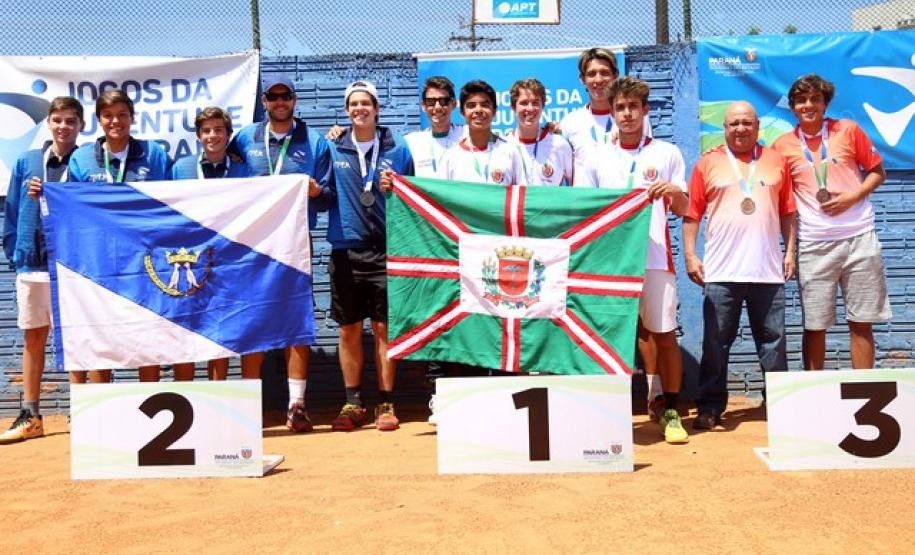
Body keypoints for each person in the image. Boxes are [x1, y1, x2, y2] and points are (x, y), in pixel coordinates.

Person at [579, 77, 689, 443]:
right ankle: (607, 415)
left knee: (665, 335)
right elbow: (585, 211)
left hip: (655, 258)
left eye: (633, 107)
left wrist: (674, 192)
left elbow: (687, 208)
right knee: (608, 338)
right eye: (620, 107)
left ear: (645, 110)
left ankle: (671, 410)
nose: (627, 114)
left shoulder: (667, 153)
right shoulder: (595, 156)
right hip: (611, 263)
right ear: (611, 112)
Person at [683, 101, 797, 430]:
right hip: (721, 273)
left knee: (774, 342)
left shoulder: (777, 161)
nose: (740, 129)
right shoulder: (708, 163)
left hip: (768, 271)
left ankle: (779, 405)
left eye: (747, 123)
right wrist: (691, 255)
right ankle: (710, 407)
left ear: (758, 126)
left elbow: (789, 211)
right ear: (725, 127)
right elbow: (692, 215)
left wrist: (790, 252)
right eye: (734, 123)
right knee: (715, 345)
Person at [228, 76, 333, 432]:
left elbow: (331, 194)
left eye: (285, 96)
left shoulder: (315, 142)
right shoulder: (243, 139)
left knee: (296, 323)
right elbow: (227, 186)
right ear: (264, 101)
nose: (279, 102)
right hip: (251, 247)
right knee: (250, 322)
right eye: (273, 97)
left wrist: (317, 192)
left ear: (294, 99)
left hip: (295, 245)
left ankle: (297, 406)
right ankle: (246, 408)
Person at [772, 74, 890, 370]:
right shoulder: (782, 146)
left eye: (815, 99)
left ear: (825, 104)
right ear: (792, 107)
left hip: (860, 237)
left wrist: (854, 196)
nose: (808, 105)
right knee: (814, 325)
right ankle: (814, 392)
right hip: (814, 243)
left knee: (861, 322)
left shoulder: (848, 130)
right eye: (801, 100)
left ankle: (864, 390)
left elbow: (878, 172)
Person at [323, 80, 414, 432]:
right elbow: (322, 191)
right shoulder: (332, 146)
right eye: (353, 104)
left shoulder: (398, 147)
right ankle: (353, 401)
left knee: (384, 329)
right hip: (346, 250)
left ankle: (386, 402)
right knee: (348, 330)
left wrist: (400, 189)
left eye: (366, 103)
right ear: (346, 110)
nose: (359, 109)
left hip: (385, 251)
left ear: (377, 108)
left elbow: (413, 198)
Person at [68, 89, 169, 384]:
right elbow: (70, 208)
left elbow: (168, 204)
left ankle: (150, 396)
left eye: (122, 115)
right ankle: (102, 404)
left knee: (148, 331)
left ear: (132, 118)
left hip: (144, 260)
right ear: (99, 120)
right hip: (99, 260)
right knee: (101, 332)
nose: (116, 121)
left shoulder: (155, 154)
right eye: (108, 115)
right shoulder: (82, 157)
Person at [0, 97, 84, 443]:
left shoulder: (85, 162)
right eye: (58, 120)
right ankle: (31, 414)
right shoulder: (27, 161)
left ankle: (82, 414)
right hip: (33, 263)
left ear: (80, 126)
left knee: (78, 338)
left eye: (70, 121)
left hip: (70, 264)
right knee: (34, 337)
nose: (63, 126)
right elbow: (12, 213)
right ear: (48, 124)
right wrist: (17, 253)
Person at [169, 106, 249, 381]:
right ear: (198, 136)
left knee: (219, 325)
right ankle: (187, 392)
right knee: (186, 326)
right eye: (206, 131)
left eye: (218, 130)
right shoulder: (181, 169)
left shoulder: (242, 169)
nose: (212, 135)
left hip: (228, 259)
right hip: (190, 258)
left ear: (228, 134)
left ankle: (218, 389)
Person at [438, 80, 520, 184]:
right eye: (471, 105)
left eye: (484, 105)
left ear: (494, 110)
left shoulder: (510, 151)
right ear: (462, 112)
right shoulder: (450, 157)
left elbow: (521, 196)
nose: (478, 110)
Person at [506, 78, 573, 186]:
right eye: (524, 103)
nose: (530, 108)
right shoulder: (504, 145)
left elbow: (574, 186)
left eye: (535, 103)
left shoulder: (559, 144)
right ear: (513, 107)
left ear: (543, 106)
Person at [404, 76, 465, 178]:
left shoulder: (467, 136)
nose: (437, 107)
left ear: (454, 104)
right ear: (423, 106)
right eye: (431, 102)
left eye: (444, 101)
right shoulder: (412, 142)